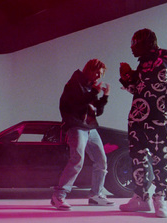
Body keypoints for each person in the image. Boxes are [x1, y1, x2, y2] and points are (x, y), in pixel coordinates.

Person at [118, 28, 167, 218]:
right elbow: (138, 89)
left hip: (158, 117)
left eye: (135, 43)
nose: (131, 47)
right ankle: (141, 198)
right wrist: (127, 78)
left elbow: (158, 81)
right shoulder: (143, 64)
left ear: (146, 42)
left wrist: (130, 74)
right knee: (138, 157)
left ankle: (160, 198)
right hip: (138, 118)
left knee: (161, 158)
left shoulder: (164, 56)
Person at [51, 59, 114, 210]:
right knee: (77, 160)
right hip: (76, 127)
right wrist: (94, 92)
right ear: (89, 69)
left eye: (101, 74)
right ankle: (59, 196)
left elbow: (96, 111)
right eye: (97, 72)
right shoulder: (74, 83)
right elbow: (77, 103)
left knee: (101, 160)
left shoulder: (90, 86)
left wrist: (104, 97)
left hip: (90, 128)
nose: (99, 76)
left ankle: (96, 195)